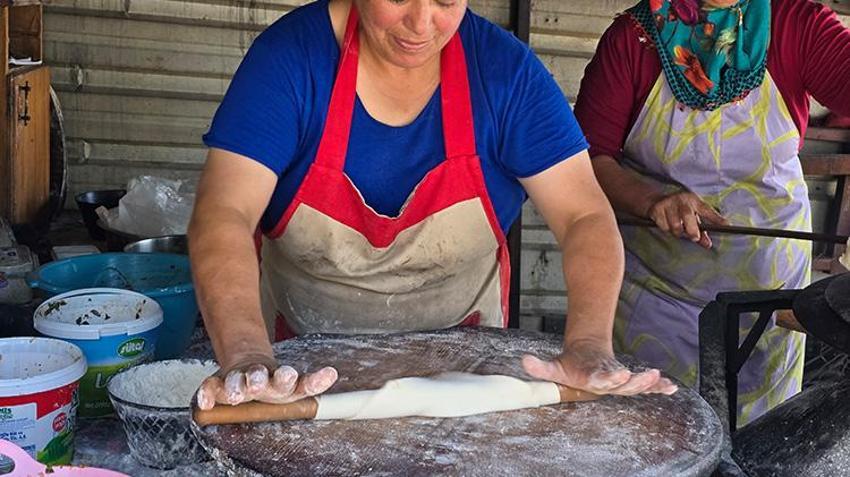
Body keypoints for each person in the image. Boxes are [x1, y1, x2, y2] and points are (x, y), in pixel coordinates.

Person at [190, 0, 677, 410]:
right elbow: (224, 214)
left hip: (466, 383)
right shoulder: (289, 61)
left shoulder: (506, 76)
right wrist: (246, 355)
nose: (421, 25)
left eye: (446, 1)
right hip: (298, 375)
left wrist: (588, 343)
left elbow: (583, 215)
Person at [574, 0, 850, 425]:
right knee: (658, 433)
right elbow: (589, 158)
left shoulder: (797, 24)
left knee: (762, 439)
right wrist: (651, 201)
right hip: (660, 293)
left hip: (769, 298)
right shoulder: (633, 39)